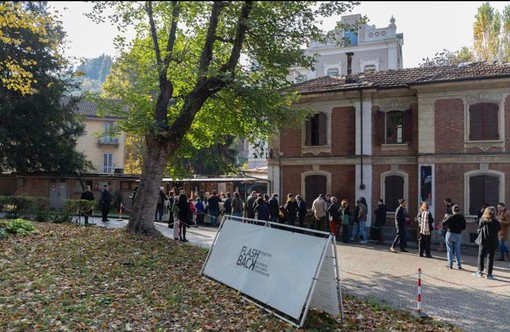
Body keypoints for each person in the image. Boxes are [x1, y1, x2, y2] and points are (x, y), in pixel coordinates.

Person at [473, 206, 501, 279]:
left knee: (481, 256)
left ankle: (480, 272)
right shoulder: (497, 222)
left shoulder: (482, 220)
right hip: (493, 241)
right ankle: (489, 274)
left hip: (483, 240)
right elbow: (499, 229)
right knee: (490, 257)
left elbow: (479, 228)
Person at [442, 204, 466, 268]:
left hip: (449, 233)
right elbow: (464, 227)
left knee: (449, 250)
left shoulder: (450, 216)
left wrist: (445, 217)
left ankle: (450, 264)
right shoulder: (462, 217)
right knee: (457, 250)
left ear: (452, 210)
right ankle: (459, 265)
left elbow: (443, 223)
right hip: (458, 234)